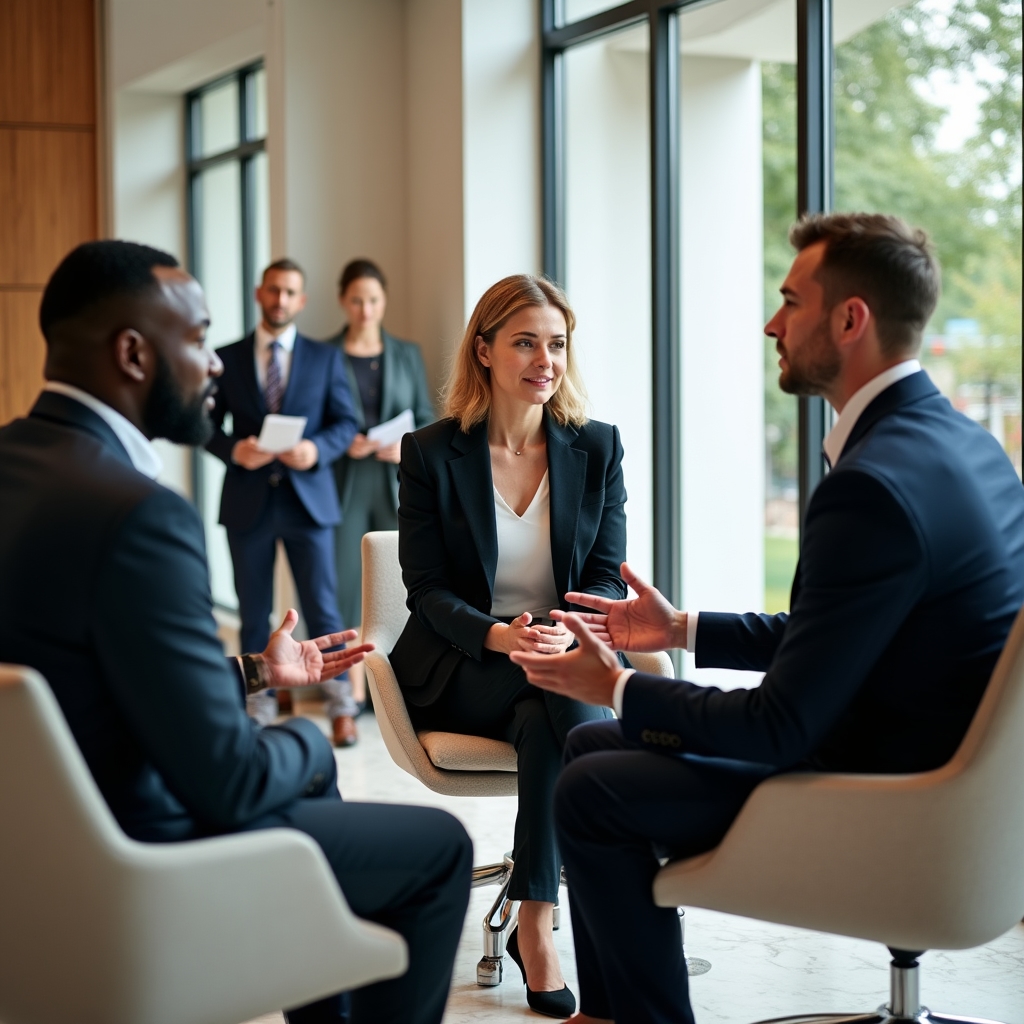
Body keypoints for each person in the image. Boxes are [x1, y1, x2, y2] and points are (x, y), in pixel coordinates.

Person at [509, 213, 1024, 1024]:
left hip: (893, 796)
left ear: (850, 319)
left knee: (592, 787)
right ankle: (609, 1014)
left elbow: (780, 725)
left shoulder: (873, 484)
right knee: (585, 747)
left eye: (791, 301)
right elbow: (844, 633)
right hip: (958, 780)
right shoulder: (965, 444)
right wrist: (680, 631)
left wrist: (614, 686)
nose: (771, 323)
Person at [0, 240, 473, 1024]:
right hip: (138, 851)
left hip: (37, 847)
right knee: (436, 848)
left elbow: (80, 671)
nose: (213, 365)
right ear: (132, 353)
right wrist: (314, 744)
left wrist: (254, 671)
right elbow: (230, 780)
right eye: (196, 338)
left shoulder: (18, 463)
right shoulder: (139, 515)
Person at [391, 274, 628, 1018]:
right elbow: (425, 589)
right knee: (558, 701)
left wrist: (565, 629)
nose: (545, 359)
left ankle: (534, 920)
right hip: (463, 666)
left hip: (553, 664)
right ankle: (599, 906)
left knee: (545, 713)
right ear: (485, 350)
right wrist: (501, 633)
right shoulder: (432, 454)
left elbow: (605, 579)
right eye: (526, 342)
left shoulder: (597, 448)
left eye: (556, 344)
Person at [207, 259, 362, 746]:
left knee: (324, 607)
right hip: (248, 500)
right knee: (253, 610)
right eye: (273, 290)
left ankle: (341, 707)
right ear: (259, 293)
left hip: (308, 502)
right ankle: (257, 706)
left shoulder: (324, 357)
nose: (280, 300)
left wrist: (315, 450)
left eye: (289, 292)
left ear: (302, 300)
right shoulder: (225, 357)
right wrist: (235, 450)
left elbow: (344, 422)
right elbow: (204, 425)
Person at [325, 259, 435, 697]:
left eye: (372, 300)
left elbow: (426, 416)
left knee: (399, 581)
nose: (365, 310)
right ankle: (348, 691)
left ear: (383, 301)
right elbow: (316, 419)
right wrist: (340, 440)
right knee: (345, 584)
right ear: (343, 302)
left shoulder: (406, 353)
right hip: (345, 482)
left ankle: (393, 687)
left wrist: (404, 443)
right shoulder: (325, 353)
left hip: (396, 481)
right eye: (356, 300)